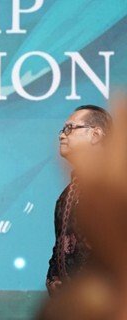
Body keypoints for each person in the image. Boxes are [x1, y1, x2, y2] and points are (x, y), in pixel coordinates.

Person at [45, 105, 111, 297]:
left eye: (70, 128)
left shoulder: (115, 189)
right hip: (78, 306)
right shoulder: (67, 194)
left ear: (95, 135)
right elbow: (61, 245)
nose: (62, 135)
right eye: (62, 130)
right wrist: (53, 279)